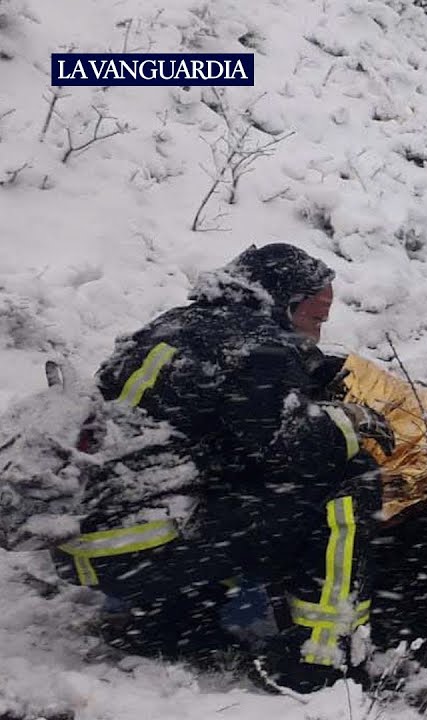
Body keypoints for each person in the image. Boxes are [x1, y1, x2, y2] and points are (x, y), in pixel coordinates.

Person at [54, 243, 390, 693]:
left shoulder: (177, 324)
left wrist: (306, 374)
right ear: (283, 304)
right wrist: (350, 421)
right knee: (350, 478)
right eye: (316, 316)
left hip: (91, 540)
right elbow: (293, 451)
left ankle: (160, 622)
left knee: (232, 490)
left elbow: (213, 408)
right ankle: (318, 657)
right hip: (140, 547)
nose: (319, 329)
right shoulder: (255, 348)